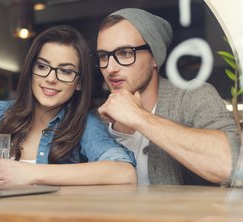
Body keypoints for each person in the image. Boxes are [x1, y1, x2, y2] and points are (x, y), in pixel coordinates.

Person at [0, 25, 136, 222]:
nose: (50, 78)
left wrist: (29, 174)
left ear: (79, 83)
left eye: (65, 71)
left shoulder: (84, 125)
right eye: (42, 66)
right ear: (30, 70)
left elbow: (123, 172)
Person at [96, 8, 241, 187]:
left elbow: (231, 163)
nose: (110, 68)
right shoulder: (99, 121)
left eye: (125, 53)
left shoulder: (192, 96)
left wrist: (138, 117)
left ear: (155, 57)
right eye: (103, 56)